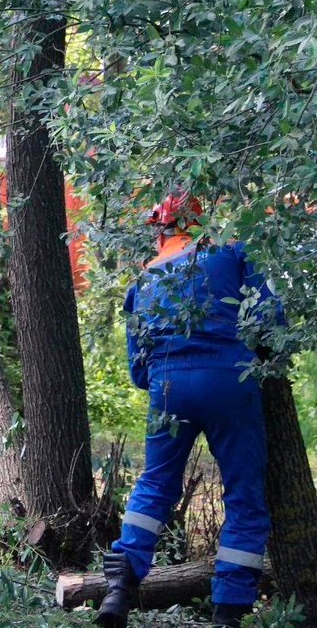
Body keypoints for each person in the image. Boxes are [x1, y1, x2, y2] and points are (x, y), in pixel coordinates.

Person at [96, 192, 283, 628]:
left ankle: (120, 589)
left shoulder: (143, 279)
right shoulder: (234, 249)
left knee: (156, 484)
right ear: (200, 221)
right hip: (228, 377)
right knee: (243, 494)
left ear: (160, 231)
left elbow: (137, 369)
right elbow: (270, 314)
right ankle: (228, 612)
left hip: (167, 386)